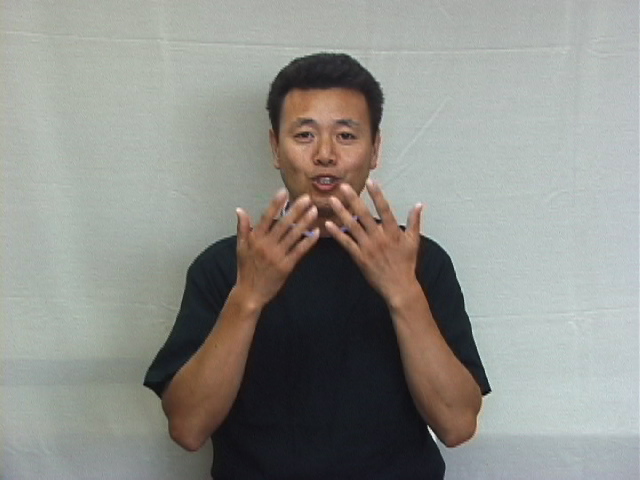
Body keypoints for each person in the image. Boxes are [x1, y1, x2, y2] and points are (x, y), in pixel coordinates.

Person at [144, 52, 490, 479]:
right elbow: (188, 428)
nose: (325, 154)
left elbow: (457, 425)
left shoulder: (420, 259)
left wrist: (403, 292)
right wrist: (248, 297)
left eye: (346, 136)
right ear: (276, 147)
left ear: (375, 149)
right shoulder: (224, 265)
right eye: (305, 135)